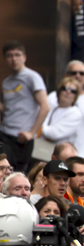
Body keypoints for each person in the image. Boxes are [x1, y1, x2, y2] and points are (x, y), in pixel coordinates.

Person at [0, 41, 50, 171]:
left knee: (17, 174)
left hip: (22, 138)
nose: (14, 59)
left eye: (17, 54)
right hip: (5, 133)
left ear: (24, 57)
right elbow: (9, 108)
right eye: (9, 55)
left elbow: (45, 106)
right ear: (5, 59)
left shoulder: (32, 77)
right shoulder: (6, 81)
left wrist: (31, 133)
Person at [47, 61, 84, 156]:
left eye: (82, 73)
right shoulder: (52, 97)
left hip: (82, 154)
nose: (78, 76)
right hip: (52, 152)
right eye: (73, 73)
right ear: (66, 75)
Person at [36, 77, 84, 153]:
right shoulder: (52, 109)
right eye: (64, 88)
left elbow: (54, 133)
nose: (68, 92)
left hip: (61, 154)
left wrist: (38, 125)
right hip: (42, 151)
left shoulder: (75, 113)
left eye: (73, 91)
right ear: (59, 91)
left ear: (76, 96)